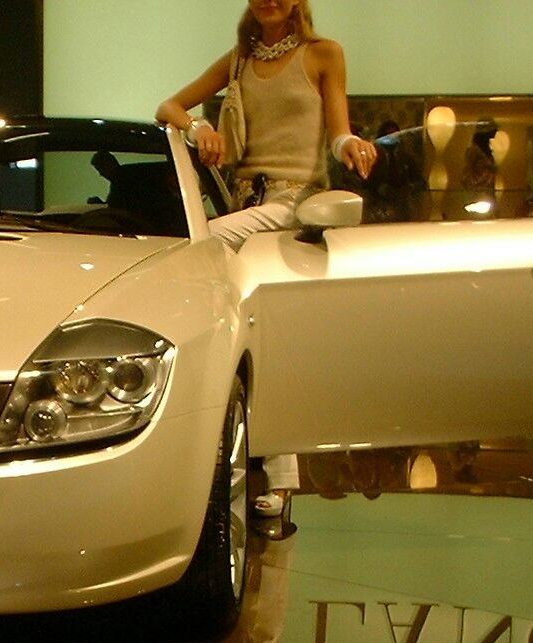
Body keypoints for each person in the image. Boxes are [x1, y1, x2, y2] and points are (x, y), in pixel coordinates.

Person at [155, 0, 375, 518]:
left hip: (290, 205)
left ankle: (270, 472)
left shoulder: (323, 54)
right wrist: (199, 130)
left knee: (200, 245)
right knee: (262, 344)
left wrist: (349, 144)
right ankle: (277, 478)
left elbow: (338, 128)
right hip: (243, 202)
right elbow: (169, 107)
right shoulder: (238, 60)